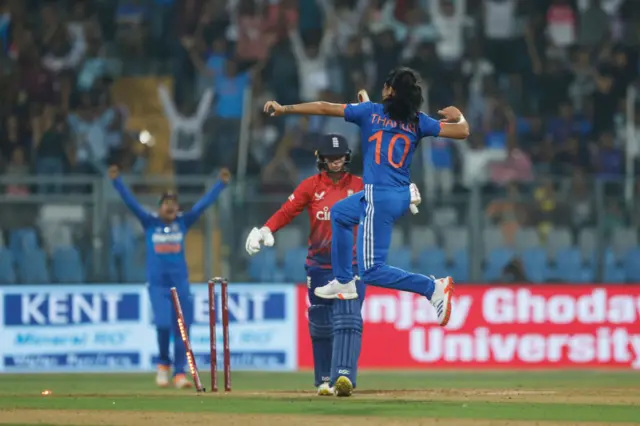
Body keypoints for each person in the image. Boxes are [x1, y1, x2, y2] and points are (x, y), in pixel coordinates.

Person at [263, 67, 470, 396]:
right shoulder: (416, 120)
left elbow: (323, 107)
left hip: (378, 197)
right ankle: (344, 280)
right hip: (396, 193)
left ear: (388, 90)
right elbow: (462, 133)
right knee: (342, 214)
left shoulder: (369, 112)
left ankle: (433, 288)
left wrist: (285, 108)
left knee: (372, 270)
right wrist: (459, 116)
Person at [244, 134, 368, 396]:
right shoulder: (311, 186)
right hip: (319, 265)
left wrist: (404, 191)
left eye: (340, 157)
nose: (336, 163)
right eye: (331, 158)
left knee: (348, 318)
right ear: (321, 159)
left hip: (352, 265)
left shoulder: (360, 185)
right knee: (321, 322)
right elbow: (287, 211)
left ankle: (343, 376)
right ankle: (324, 379)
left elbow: (384, 203)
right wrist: (266, 229)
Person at [108, 165, 231, 388]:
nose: (171, 206)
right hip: (158, 285)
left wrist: (220, 185)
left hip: (180, 284)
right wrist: (117, 182)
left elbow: (203, 205)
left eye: (174, 203)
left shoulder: (182, 222)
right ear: (159, 207)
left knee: (182, 328)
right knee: (163, 324)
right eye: (167, 203)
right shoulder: (150, 222)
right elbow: (131, 203)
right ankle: (163, 365)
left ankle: (179, 373)